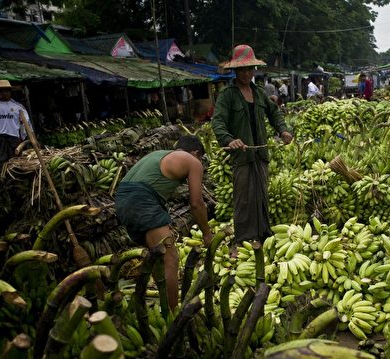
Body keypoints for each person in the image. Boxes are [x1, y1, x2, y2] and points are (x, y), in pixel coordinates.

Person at [211, 44, 293, 253]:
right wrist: (229, 140)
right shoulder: (227, 95)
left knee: (261, 194)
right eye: (242, 70)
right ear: (235, 71)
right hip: (242, 155)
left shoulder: (258, 92)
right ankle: (244, 239)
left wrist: (283, 130)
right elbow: (218, 122)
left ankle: (263, 233)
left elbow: (274, 114)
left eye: (250, 69)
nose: (247, 73)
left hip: (260, 153)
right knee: (244, 197)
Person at [114, 135, 212, 310]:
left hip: (122, 199)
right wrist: (206, 233)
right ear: (196, 153)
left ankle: (160, 306)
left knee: (157, 258)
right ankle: (172, 316)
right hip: (141, 199)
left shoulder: (159, 154)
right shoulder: (193, 162)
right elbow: (196, 204)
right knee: (170, 258)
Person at [0, 80, 31, 168]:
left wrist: (24, 136)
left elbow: (25, 123)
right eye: (2, 91)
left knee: (15, 163)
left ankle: (13, 180)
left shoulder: (18, 107)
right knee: (1, 163)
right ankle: (3, 179)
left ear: (10, 91)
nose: (4, 93)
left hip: (13, 138)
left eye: (6, 90)